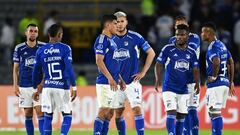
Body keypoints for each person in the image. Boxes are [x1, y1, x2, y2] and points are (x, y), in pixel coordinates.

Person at [111, 11, 155, 135]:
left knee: (137, 109)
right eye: (117, 22)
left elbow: (151, 53)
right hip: (117, 83)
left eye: (122, 21)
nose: (119, 24)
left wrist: (143, 72)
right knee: (118, 113)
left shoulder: (135, 37)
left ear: (126, 22)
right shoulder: (110, 39)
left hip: (132, 82)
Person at [155, 24, 200, 135]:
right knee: (171, 112)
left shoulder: (191, 52)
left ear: (187, 37)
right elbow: (158, 64)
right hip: (169, 87)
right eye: (177, 35)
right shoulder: (167, 49)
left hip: (183, 89)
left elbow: (195, 69)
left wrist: (197, 83)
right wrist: (158, 79)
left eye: (182, 35)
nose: (179, 37)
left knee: (181, 116)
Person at [32, 23, 77, 135]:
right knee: (67, 115)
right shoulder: (65, 48)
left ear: (48, 34)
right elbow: (69, 68)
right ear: (60, 35)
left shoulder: (41, 50)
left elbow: (35, 71)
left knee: (48, 116)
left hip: (47, 88)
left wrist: (35, 89)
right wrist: (74, 86)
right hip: (62, 87)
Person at [93, 14, 125, 135]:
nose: (118, 26)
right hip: (105, 82)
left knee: (110, 113)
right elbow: (99, 60)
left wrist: (120, 79)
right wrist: (110, 78)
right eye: (115, 24)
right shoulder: (102, 39)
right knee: (103, 110)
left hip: (113, 82)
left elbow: (114, 63)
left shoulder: (113, 42)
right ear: (108, 25)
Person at [201, 22, 235, 135]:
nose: (201, 34)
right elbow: (231, 62)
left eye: (203, 32)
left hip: (216, 84)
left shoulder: (212, 47)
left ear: (209, 33)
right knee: (213, 112)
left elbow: (216, 61)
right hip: (224, 82)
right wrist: (230, 81)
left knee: (215, 112)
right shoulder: (222, 45)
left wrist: (214, 76)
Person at [169, 15, 200, 135]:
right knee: (181, 111)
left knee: (192, 110)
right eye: (178, 25)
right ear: (175, 27)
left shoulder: (194, 37)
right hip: (179, 81)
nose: (181, 27)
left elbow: (186, 51)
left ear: (187, 25)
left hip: (192, 80)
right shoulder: (172, 40)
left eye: (183, 24)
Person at [13, 23, 45, 135]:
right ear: (26, 33)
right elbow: (15, 69)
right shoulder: (19, 48)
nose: (33, 33)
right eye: (31, 31)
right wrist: (15, 85)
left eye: (35, 31)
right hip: (24, 86)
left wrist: (42, 83)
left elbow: (46, 67)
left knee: (40, 112)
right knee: (28, 114)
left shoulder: (42, 47)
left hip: (38, 86)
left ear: (37, 34)